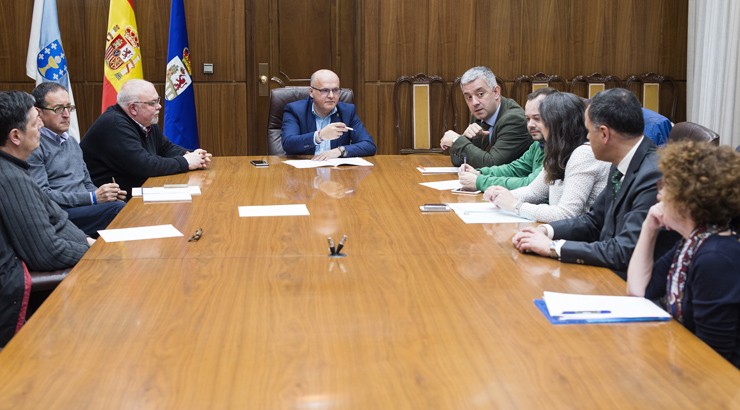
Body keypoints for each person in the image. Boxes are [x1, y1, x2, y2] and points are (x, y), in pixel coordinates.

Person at [511, 88, 679, 278]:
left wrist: (554, 247)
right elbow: (593, 221)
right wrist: (547, 230)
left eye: (589, 131)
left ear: (604, 134)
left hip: (631, 282)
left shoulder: (652, 175)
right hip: (607, 268)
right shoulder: (622, 161)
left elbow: (624, 250)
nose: (587, 138)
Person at [627, 141, 740, 368]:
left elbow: (712, 357)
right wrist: (649, 228)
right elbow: (638, 290)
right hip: (688, 362)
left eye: (665, 187)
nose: (659, 196)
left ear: (687, 200)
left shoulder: (716, 258)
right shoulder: (693, 242)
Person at [0, 91, 90, 347]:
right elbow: (47, 253)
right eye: (34, 121)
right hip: (19, 290)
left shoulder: (15, 168)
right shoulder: (11, 179)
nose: (40, 124)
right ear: (15, 136)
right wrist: (94, 249)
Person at [483, 92, 610, 223]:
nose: (535, 126)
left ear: (556, 124)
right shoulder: (557, 151)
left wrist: (516, 206)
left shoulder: (583, 154)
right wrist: (501, 195)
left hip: (581, 239)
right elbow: (534, 192)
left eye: (540, 120)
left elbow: (566, 214)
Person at [80, 79, 211, 197]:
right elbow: (144, 166)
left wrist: (192, 155)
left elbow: (165, 148)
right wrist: (186, 162)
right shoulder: (114, 124)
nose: (159, 106)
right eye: (152, 103)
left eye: (158, 100)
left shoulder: (146, 122)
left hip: (133, 190)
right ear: (133, 108)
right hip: (109, 200)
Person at [28, 83, 125, 237]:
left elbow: (86, 182)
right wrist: (92, 198)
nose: (66, 114)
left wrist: (105, 195)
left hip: (84, 207)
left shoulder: (71, 141)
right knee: (118, 210)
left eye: (69, 107)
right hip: (60, 214)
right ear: (39, 113)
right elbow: (42, 195)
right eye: (58, 109)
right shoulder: (34, 146)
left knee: (122, 205)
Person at [458, 87, 557, 192]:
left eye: (537, 118)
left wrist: (480, 182)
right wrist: (480, 173)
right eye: (528, 119)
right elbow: (515, 169)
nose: (530, 125)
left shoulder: (560, 148)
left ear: (555, 116)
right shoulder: (538, 144)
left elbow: (531, 184)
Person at [441, 66, 531, 168]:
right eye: (469, 97)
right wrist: (466, 139)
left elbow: (492, 164)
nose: (474, 103)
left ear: (496, 92)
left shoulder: (514, 120)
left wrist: (457, 140)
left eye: (480, 94)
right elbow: (458, 161)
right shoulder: (480, 114)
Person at [281, 69, 376, 160]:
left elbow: (368, 145)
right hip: (303, 171)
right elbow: (288, 144)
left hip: (337, 172)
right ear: (311, 92)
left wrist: (340, 150)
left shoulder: (347, 112)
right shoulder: (295, 110)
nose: (331, 96)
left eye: (335, 90)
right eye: (325, 90)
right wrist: (319, 136)